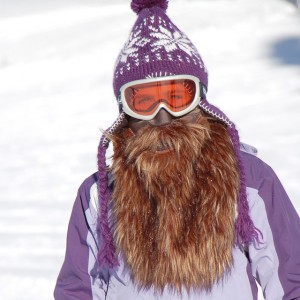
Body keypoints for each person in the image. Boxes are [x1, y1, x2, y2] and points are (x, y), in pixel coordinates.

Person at [54, 0, 300, 299]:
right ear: (125, 110)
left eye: (176, 96)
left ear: (200, 99)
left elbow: (291, 278)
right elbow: (78, 290)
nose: (162, 115)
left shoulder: (246, 177)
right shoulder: (101, 194)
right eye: (144, 100)